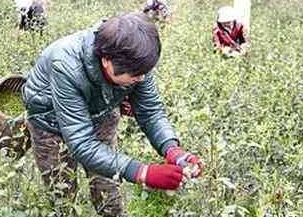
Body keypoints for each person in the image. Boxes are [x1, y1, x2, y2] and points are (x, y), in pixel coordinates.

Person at [22, 12, 202, 217]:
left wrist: (172, 149)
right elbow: (81, 143)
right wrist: (142, 172)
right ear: (106, 60)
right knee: (61, 188)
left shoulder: (136, 61)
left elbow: (150, 111)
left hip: (101, 111)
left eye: (144, 72)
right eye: (135, 75)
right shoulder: (65, 64)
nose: (141, 78)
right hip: (50, 121)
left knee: (107, 185)